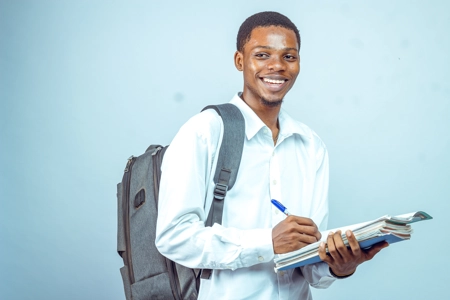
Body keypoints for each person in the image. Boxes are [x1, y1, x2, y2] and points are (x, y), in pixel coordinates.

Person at [155, 11, 388, 299]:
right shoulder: (204, 131)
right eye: (262, 55)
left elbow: (311, 267)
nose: (277, 66)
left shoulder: (310, 146)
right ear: (240, 60)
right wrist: (268, 241)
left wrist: (340, 266)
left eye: (289, 57)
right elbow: (173, 237)